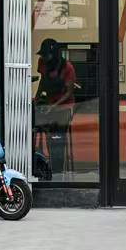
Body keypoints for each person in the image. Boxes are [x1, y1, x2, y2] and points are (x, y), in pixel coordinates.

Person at [34, 39, 78, 173]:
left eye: (46, 55)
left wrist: (54, 106)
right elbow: (43, 81)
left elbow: (69, 91)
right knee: (39, 129)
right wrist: (37, 99)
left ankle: (57, 168)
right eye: (43, 55)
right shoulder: (42, 62)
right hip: (49, 104)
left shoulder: (67, 68)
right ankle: (40, 163)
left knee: (57, 135)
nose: (44, 58)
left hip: (64, 106)